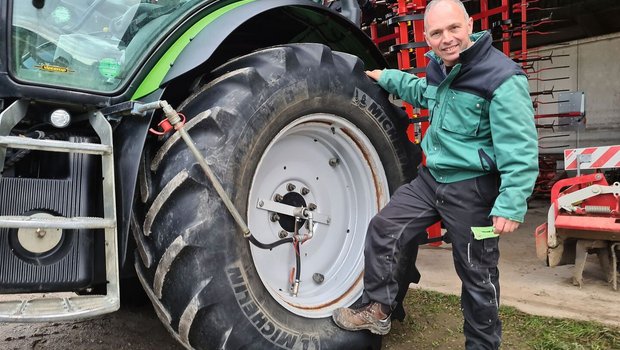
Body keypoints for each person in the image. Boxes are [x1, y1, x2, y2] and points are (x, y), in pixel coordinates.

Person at [331, 0, 538, 348]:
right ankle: (379, 308)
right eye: (437, 32)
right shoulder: (440, 68)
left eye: (454, 28)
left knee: (477, 274)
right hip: (432, 181)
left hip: (473, 191)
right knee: (385, 228)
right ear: (426, 36)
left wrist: (511, 203)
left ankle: (483, 345)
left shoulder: (501, 78)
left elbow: (520, 148)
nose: (447, 39)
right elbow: (426, 94)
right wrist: (390, 78)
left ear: (469, 25)